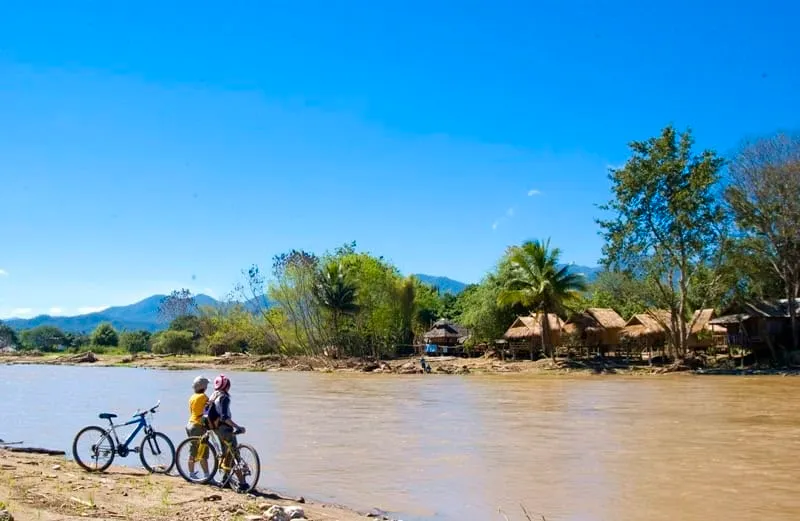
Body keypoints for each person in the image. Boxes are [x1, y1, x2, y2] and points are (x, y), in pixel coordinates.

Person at [210, 374, 248, 491]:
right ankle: (242, 483)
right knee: (234, 454)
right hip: (225, 428)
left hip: (216, 428)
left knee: (226, 453)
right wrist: (238, 427)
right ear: (227, 386)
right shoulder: (224, 397)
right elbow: (224, 417)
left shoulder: (214, 395)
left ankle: (225, 479)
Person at [186, 375, 211, 480]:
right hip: (198, 426)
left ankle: (191, 473)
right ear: (204, 387)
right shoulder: (204, 397)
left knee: (193, 450)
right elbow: (207, 412)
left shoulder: (192, 397)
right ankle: (207, 476)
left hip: (190, 424)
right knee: (203, 452)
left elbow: (192, 412)